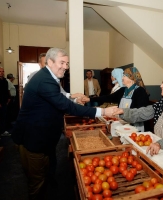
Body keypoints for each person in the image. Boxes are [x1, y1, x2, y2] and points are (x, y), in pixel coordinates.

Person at [11, 48, 115, 200]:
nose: (65, 67)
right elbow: (66, 106)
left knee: (44, 176)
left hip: (42, 138)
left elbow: (59, 97)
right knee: (37, 183)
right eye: (62, 63)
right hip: (33, 139)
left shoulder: (49, 77)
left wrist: (73, 98)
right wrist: (103, 112)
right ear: (50, 62)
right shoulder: (44, 79)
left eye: (67, 63)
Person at [83, 67, 149, 132]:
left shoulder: (140, 91)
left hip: (134, 127)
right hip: (123, 124)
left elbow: (141, 112)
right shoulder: (123, 90)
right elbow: (108, 97)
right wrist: (90, 99)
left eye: (124, 76)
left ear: (131, 78)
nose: (122, 78)